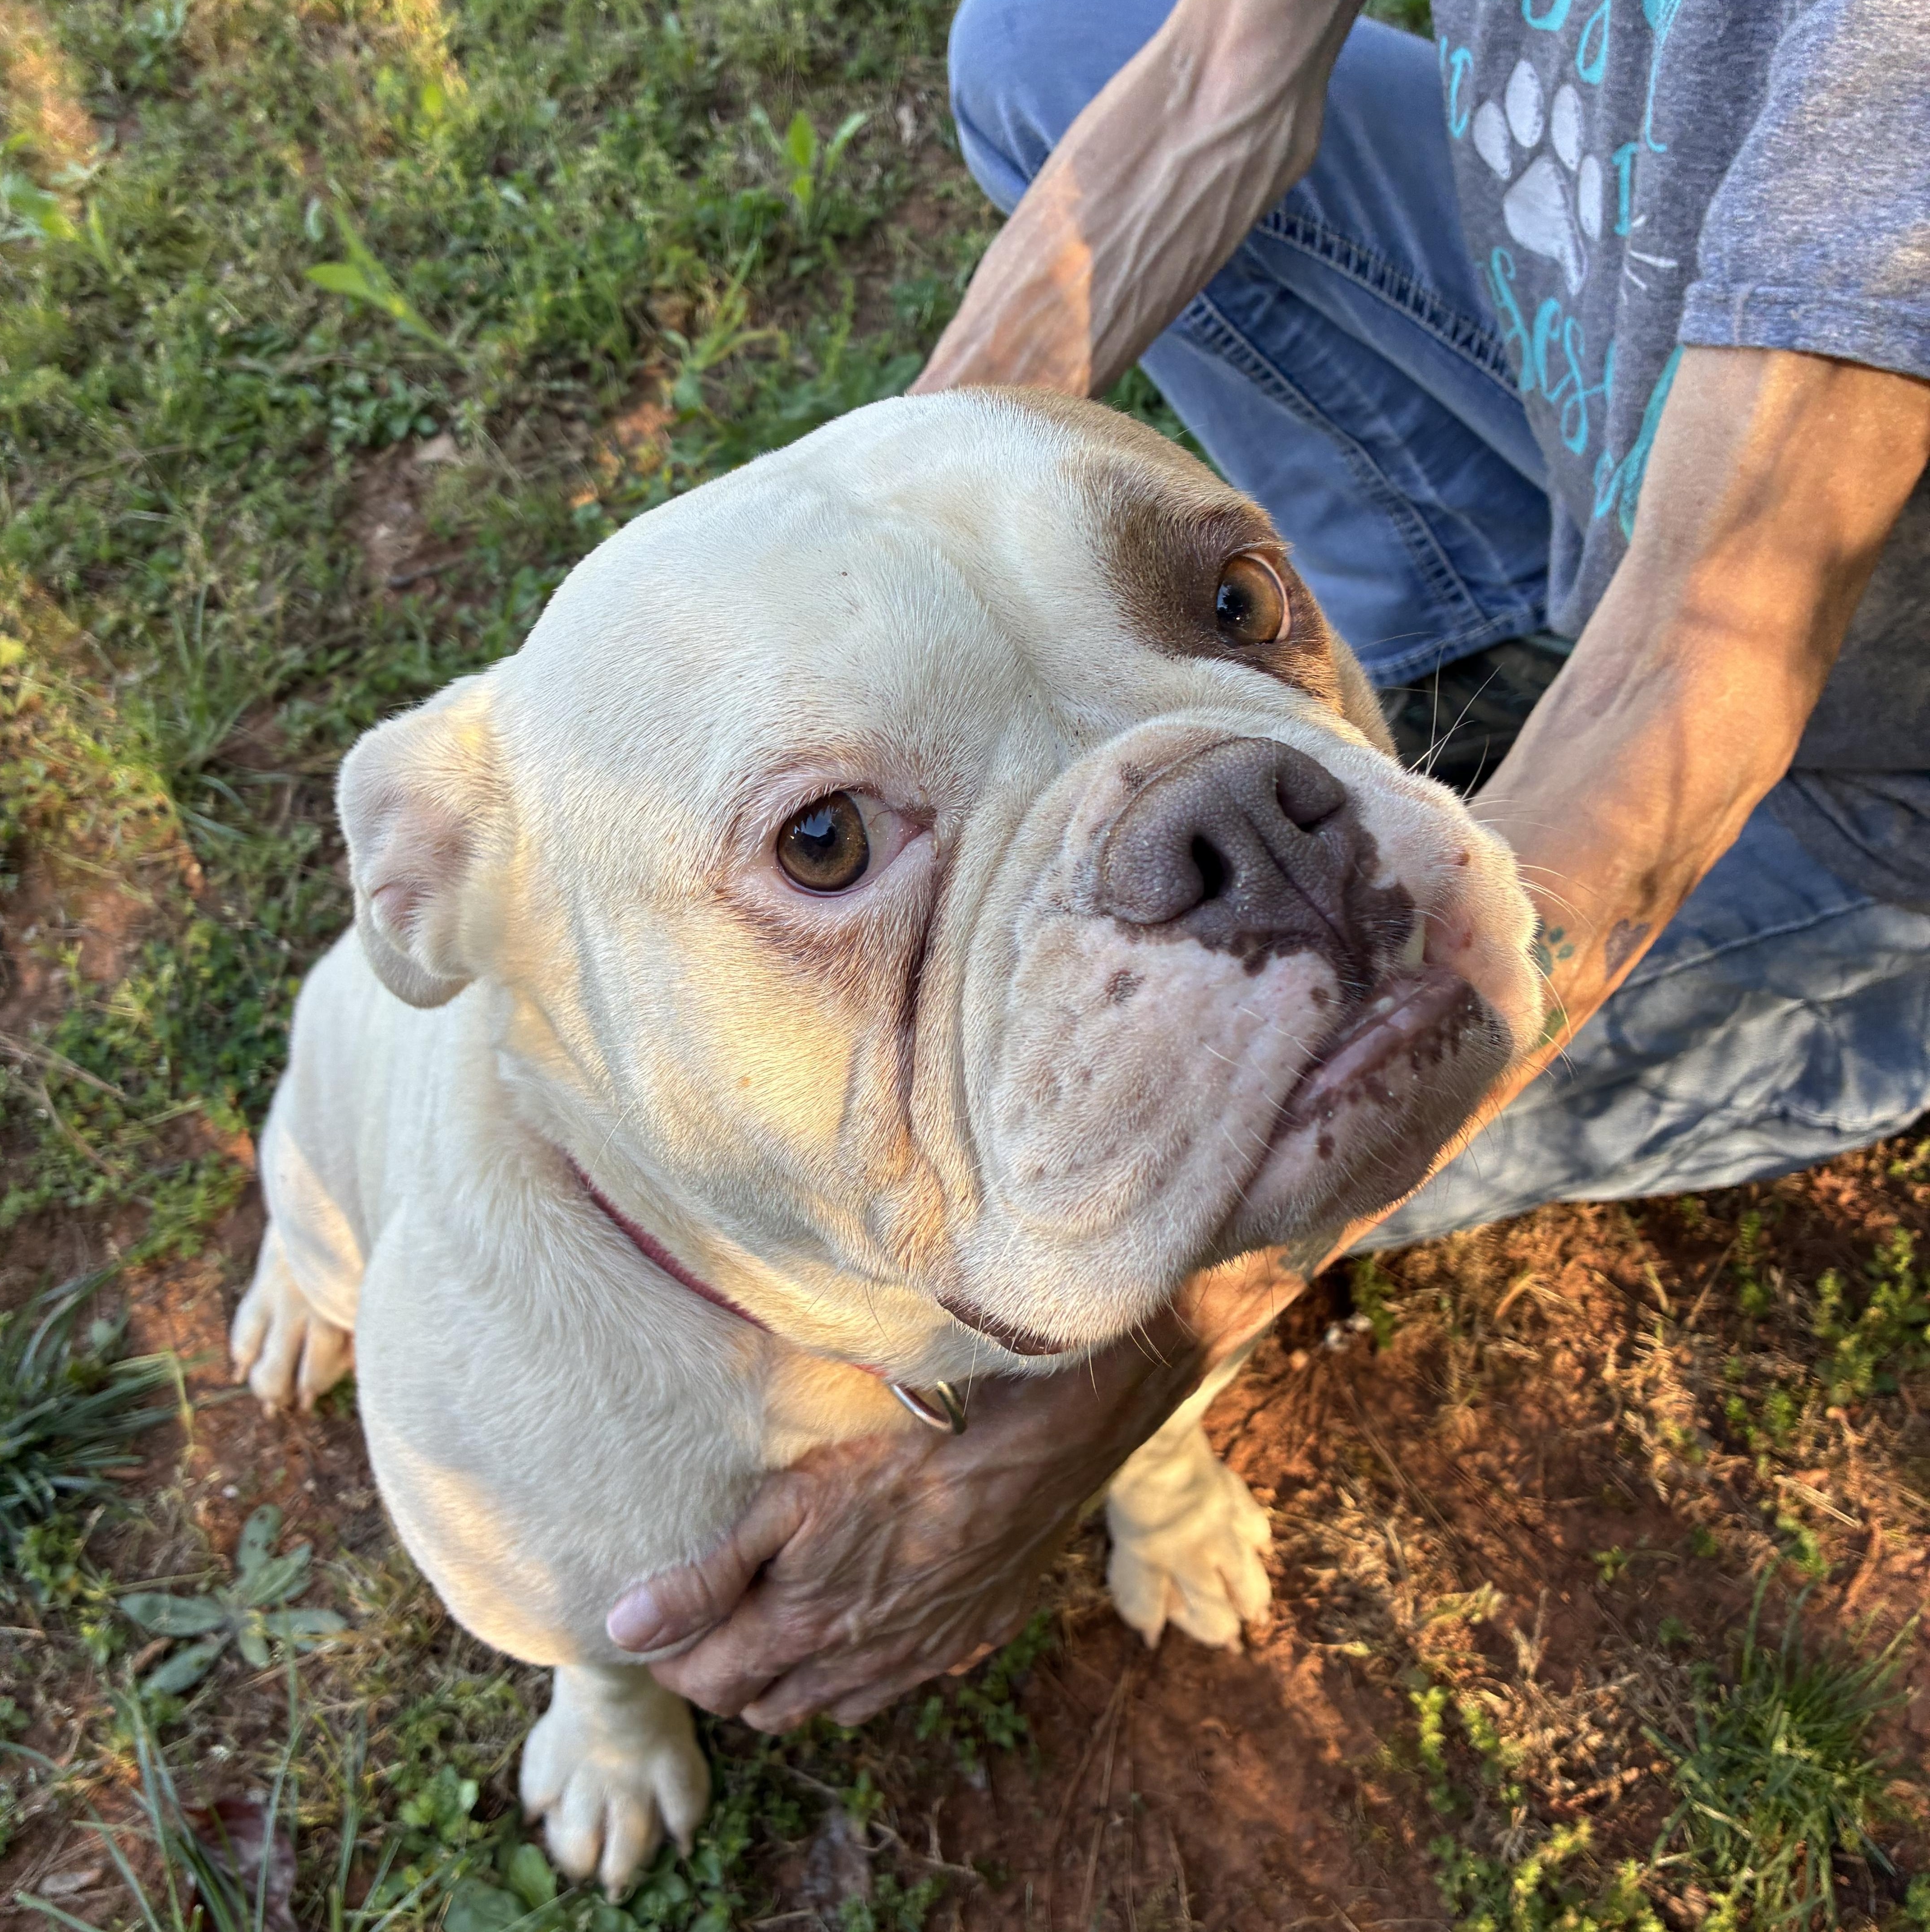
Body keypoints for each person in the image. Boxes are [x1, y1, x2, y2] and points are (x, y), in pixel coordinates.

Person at [602, 0, 1930, 1728]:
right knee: (1046, 53)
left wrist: (1079, 1414)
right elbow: (1227, 62)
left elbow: (1709, 646)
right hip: (1631, 406)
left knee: (1248, 1128)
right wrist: (848, 561)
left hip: (1857, 761)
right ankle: (1428, 642)